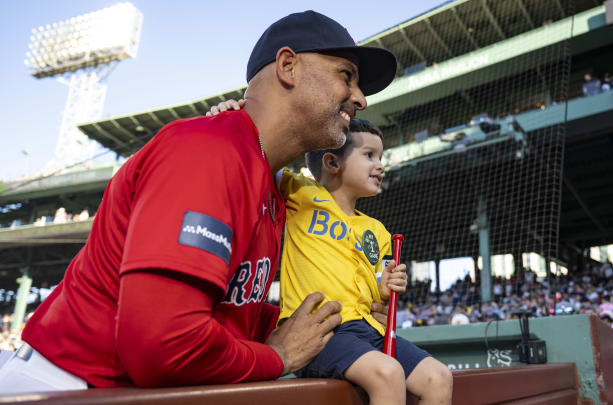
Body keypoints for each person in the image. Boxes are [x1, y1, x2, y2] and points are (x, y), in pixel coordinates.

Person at [0, 10, 397, 394]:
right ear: (288, 66)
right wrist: (277, 356)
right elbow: (162, 345)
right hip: (65, 385)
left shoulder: (272, 185)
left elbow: (229, 315)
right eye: (346, 76)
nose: (359, 98)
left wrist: (347, 321)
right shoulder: (210, 151)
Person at [279, 118, 452, 404]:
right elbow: (258, 158)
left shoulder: (378, 231)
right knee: (388, 372)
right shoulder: (300, 192)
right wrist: (231, 113)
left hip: (368, 330)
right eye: (369, 155)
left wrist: (386, 287)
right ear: (332, 163)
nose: (381, 165)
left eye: (381, 157)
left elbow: (377, 289)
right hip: (320, 332)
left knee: (439, 378)